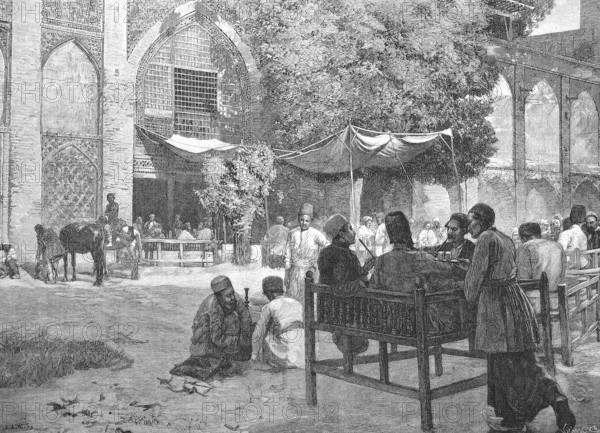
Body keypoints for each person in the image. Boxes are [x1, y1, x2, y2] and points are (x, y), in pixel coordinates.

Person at [464, 203, 575, 432]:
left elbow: (474, 280)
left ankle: (511, 417)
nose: (468, 225)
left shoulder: (485, 238)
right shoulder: (504, 238)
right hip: (515, 300)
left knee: (503, 364)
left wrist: (467, 292)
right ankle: (554, 399)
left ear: (482, 221)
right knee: (523, 361)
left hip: (497, 303)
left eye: (471, 220)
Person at [370, 211, 465, 333]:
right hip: (417, 324)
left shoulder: (381, 260)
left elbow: (373, 287)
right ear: (407, 231)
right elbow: (448, 269)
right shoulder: (420, 257)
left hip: (390, 322)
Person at [171, 276, 252, 379]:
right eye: (228, 296)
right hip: (206, 339)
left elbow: (245, 317)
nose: (232, 298)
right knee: (213, 364)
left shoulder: (235, 298)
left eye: (232, 293)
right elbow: (217, 338)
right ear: (219, 297)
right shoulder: (213, 307)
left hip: (224, 339)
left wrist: (245, 339)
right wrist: (236, 340)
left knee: (234, 318)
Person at [318, 214, 374, 356]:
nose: (354, 232)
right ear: (341, 234)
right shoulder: (343, 254)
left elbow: (344, 279)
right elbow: (343, 285)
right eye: (350, 229)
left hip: (330, 308)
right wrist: (364, 273)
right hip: (342, 311)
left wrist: (364, 270)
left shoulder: (327, 252)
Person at [251, 276, 305, 368]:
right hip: (303, 352)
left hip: (289, 354)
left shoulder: (269, 306)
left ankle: (277, 361)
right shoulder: (297, 303)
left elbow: (258, 334)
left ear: (268, 293)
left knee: (262, 331)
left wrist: (254, 355)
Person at [517, 222, 566, 315]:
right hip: (558, 299)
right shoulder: (558, 246)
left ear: (522, 238)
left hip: (535, 302)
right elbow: (562, 273)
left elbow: (523, 279)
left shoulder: (524, 247)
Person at [284, 203, 328, 303]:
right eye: (302, 220)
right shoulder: (292, 233)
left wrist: (318, 262)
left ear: (311, 221)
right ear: (298, 219)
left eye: (307, 221)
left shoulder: (316, 234)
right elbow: (288, 254)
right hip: (295, 271)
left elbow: (327, 247)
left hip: (310, 272)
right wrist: (286, 275)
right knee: (294, 298)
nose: (304, 223)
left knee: (308, 298)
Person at [558, 205, 589, 269]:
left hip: (571, 268)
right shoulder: (583, 234)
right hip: (583, 265)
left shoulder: (565, 234)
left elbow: (559, 253)